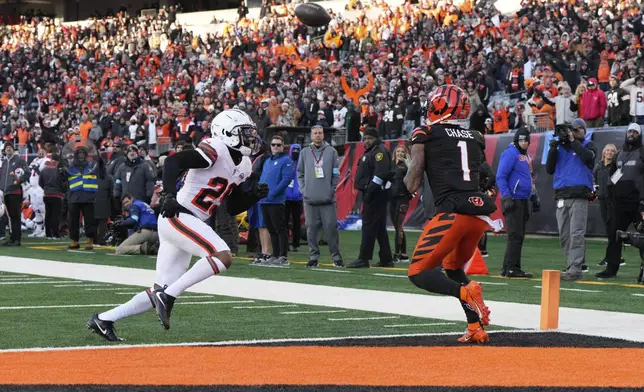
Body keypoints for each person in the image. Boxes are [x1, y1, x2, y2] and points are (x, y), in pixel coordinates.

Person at [87, 109, 268, 341]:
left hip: (188, 221)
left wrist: (253, 196)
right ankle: (170, 296)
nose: (250, 138)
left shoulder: (244, 164)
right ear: (227, 133)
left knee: (159, 290)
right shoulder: (216, 149)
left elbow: (232, 207)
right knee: (223, 255)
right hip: (178, 214)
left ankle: (104, 319)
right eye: (244, 133)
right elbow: (174, 161)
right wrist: (169, 194)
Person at [403, 85, 497, 343]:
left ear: (440, 106)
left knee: (419, 273)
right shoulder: (475, 136)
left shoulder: (426, 133)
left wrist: (403, 188)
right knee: (454, 268)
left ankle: (466, 292)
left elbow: (413, 179)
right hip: (477, 217)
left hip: (451, 213)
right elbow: (484, 174)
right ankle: (475, 326)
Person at [545, 119, 596, 281]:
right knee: (565, 236)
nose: (576, 131)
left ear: (584, 131)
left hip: (579, 195)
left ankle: (575, 269)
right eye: (573, 129)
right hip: (561, 195)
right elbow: (549, 169)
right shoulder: (559, 147)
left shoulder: (588, 145)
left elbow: (588, 159)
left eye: (579, 128)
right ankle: (573, 264)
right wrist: (553, 149)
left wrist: (573, 142)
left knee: (576, 234)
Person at [596, 123, 644, 279]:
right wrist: (610, 194)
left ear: (640, 135)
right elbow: (613, 176)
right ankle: (611, 268)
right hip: (620, 203)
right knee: (614, 235)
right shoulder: (618, 155)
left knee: (642, 236)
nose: (632, 134)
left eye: (635, 132)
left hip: (639, 203)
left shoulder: (642, 152)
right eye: (630, 131)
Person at [347, 127, 393, 268]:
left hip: (375, 194)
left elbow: (380, 174)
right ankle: (386, 258)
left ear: (376, 139)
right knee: (378, 227)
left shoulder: (379, 151)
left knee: (368, 226)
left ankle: (364, 258)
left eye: (370, 138)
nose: (366, 141)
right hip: (372, 193)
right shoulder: (372, 151)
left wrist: (369, 191)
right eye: (365, 138)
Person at [297, 125, 343, 267]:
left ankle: (336, 257)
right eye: (315, 133)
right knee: (311, 229)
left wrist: (332, 189)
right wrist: (304, 190)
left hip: (327, 198)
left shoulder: (331, 151)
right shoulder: (304, 152)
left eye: (320, 133)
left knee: (331, 228)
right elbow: (300, 173)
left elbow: (336, 173)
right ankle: (313, 257)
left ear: (323, 135)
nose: (317, 135)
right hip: (309, 199)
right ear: (311, 136)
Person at [496, 128, 536, 278]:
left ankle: (508, 267)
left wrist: (533, 195)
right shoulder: (510, 153)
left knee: (518, 235)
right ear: (516, 140)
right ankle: (512, 268)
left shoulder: (526, 156)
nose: (524, 143)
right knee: (515, 235)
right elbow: (500, 176)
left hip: (523, 199)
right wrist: (507, 196)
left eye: (526, 140)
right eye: (521, 140)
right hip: (514, 199)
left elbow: (529, 177)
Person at [258, 135, 293, 265]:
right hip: (264, 200)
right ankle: (275, 254)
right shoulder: (268, 161)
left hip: (276, 200)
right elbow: (263, 178)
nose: (276, 147)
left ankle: (283, 256)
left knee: (280, 228)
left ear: (283, 146)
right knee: (271, 229)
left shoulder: (286, 160)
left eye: (278, 145)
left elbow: (286, 180)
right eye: (273, 144)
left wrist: (273, 193)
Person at [66, 144, 98, 251]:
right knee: (73, 221)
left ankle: (90, 240)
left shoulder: (92, 166)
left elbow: (101, 173)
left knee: (89, 220)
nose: (81, 155)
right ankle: (74, 240)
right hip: (74, 197)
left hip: (88, 196)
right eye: (79, 153)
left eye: (83, 153)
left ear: (86, 155)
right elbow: (62, 180)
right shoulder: (69, 167)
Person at [0, 143, 29, 246]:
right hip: (5, 192)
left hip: (15, 192)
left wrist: (19, 181)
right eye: (6, 148)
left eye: (10, 147)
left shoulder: (19, 160)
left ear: (13, 149)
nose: (8, 149)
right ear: (4, 150)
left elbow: (27, 173)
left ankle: (17, 239)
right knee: (10, 217)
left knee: (15, 216)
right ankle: (12, 238)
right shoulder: (4, 162)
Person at [390, 145, 412, 263]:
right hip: (391, 197)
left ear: (405, 153)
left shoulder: (406, 165)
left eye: (402, 151)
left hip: (403, 197)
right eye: (397, 151)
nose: (399, 153)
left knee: (398, 226)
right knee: (397, 226)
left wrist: (410, 167)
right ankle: (404, 254)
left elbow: (413, 177)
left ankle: (397, 254)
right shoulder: (391, 163)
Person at [39, 154, 65, 239]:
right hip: (57, 194)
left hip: (47, 194)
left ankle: (48, 233)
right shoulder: (59, 171)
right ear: (58, 161)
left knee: (48, 214)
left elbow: (40, 183)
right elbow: (63, 184)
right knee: (56, 215)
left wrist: (46, 189)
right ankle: (56, 233)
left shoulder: (44, 170)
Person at [285, 143, 303, 252]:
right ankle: (285, 243)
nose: (295, 152)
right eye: (294, 150)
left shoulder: (303, 163)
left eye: (297, 150)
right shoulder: (287, 162)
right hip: (286, 197)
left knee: (297, 222)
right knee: (285, 221)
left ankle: (296, 243)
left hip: (298, 197)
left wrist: (301, 191)